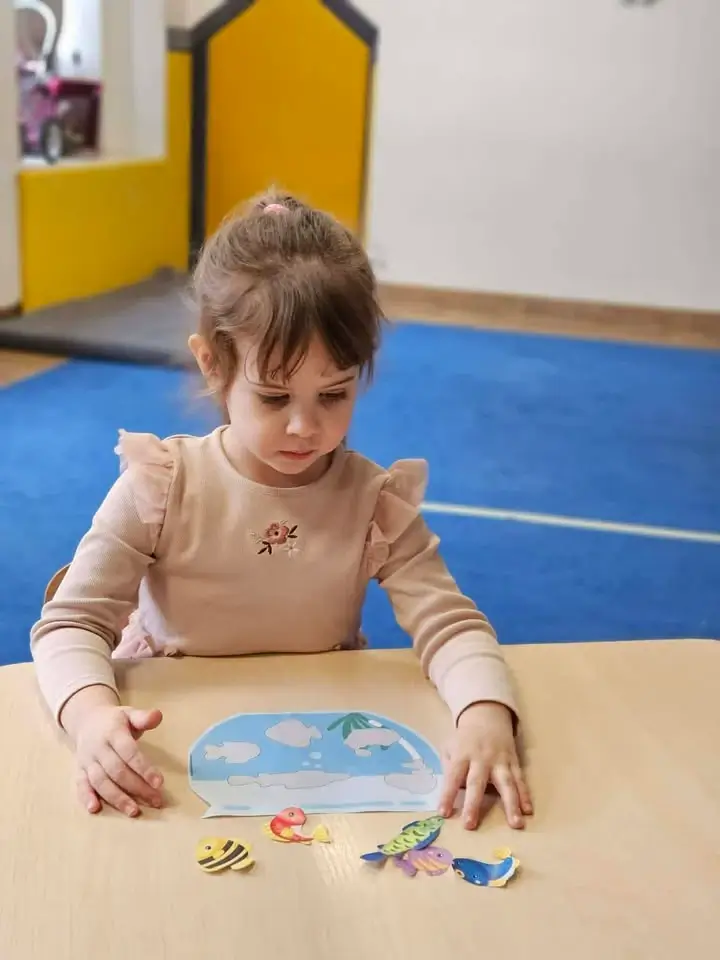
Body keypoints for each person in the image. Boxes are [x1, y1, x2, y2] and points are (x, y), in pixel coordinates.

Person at [30, 190, 533, 831]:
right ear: (212, 363)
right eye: (273, 397)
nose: (304, 427)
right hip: (170, 740)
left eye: (334, 394)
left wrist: (486, 713)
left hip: (314, 747)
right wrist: (90, 715)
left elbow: (451, 625)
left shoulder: (373, 503)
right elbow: (71, 624)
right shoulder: (160, 487)